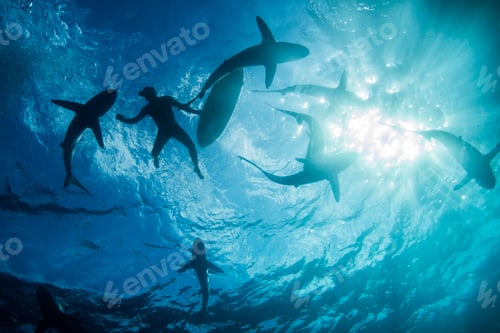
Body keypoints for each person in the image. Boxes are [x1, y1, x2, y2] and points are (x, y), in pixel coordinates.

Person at [116, 87, 203, 179]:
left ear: (151, 93)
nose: (145, 98)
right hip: (163, 132)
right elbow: (135, 120)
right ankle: (156, 157)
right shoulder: (147, 109)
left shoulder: (166, 99)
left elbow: (182, 107)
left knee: (191, 146)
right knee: (154, 154)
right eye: (144, 96)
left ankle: (196, 167)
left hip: (174, 128)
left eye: (145, 95)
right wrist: (123, 119)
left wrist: (197, 112)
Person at [177, 238, 224, 315]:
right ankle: (203, 311)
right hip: (204, 284)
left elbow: (185, 267)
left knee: (205, 292)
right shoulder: (202, 262)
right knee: (205, 292)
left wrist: (182, 269)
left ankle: (203, 311)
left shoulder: (196, 262)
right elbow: (218, 270)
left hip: (205, 284)